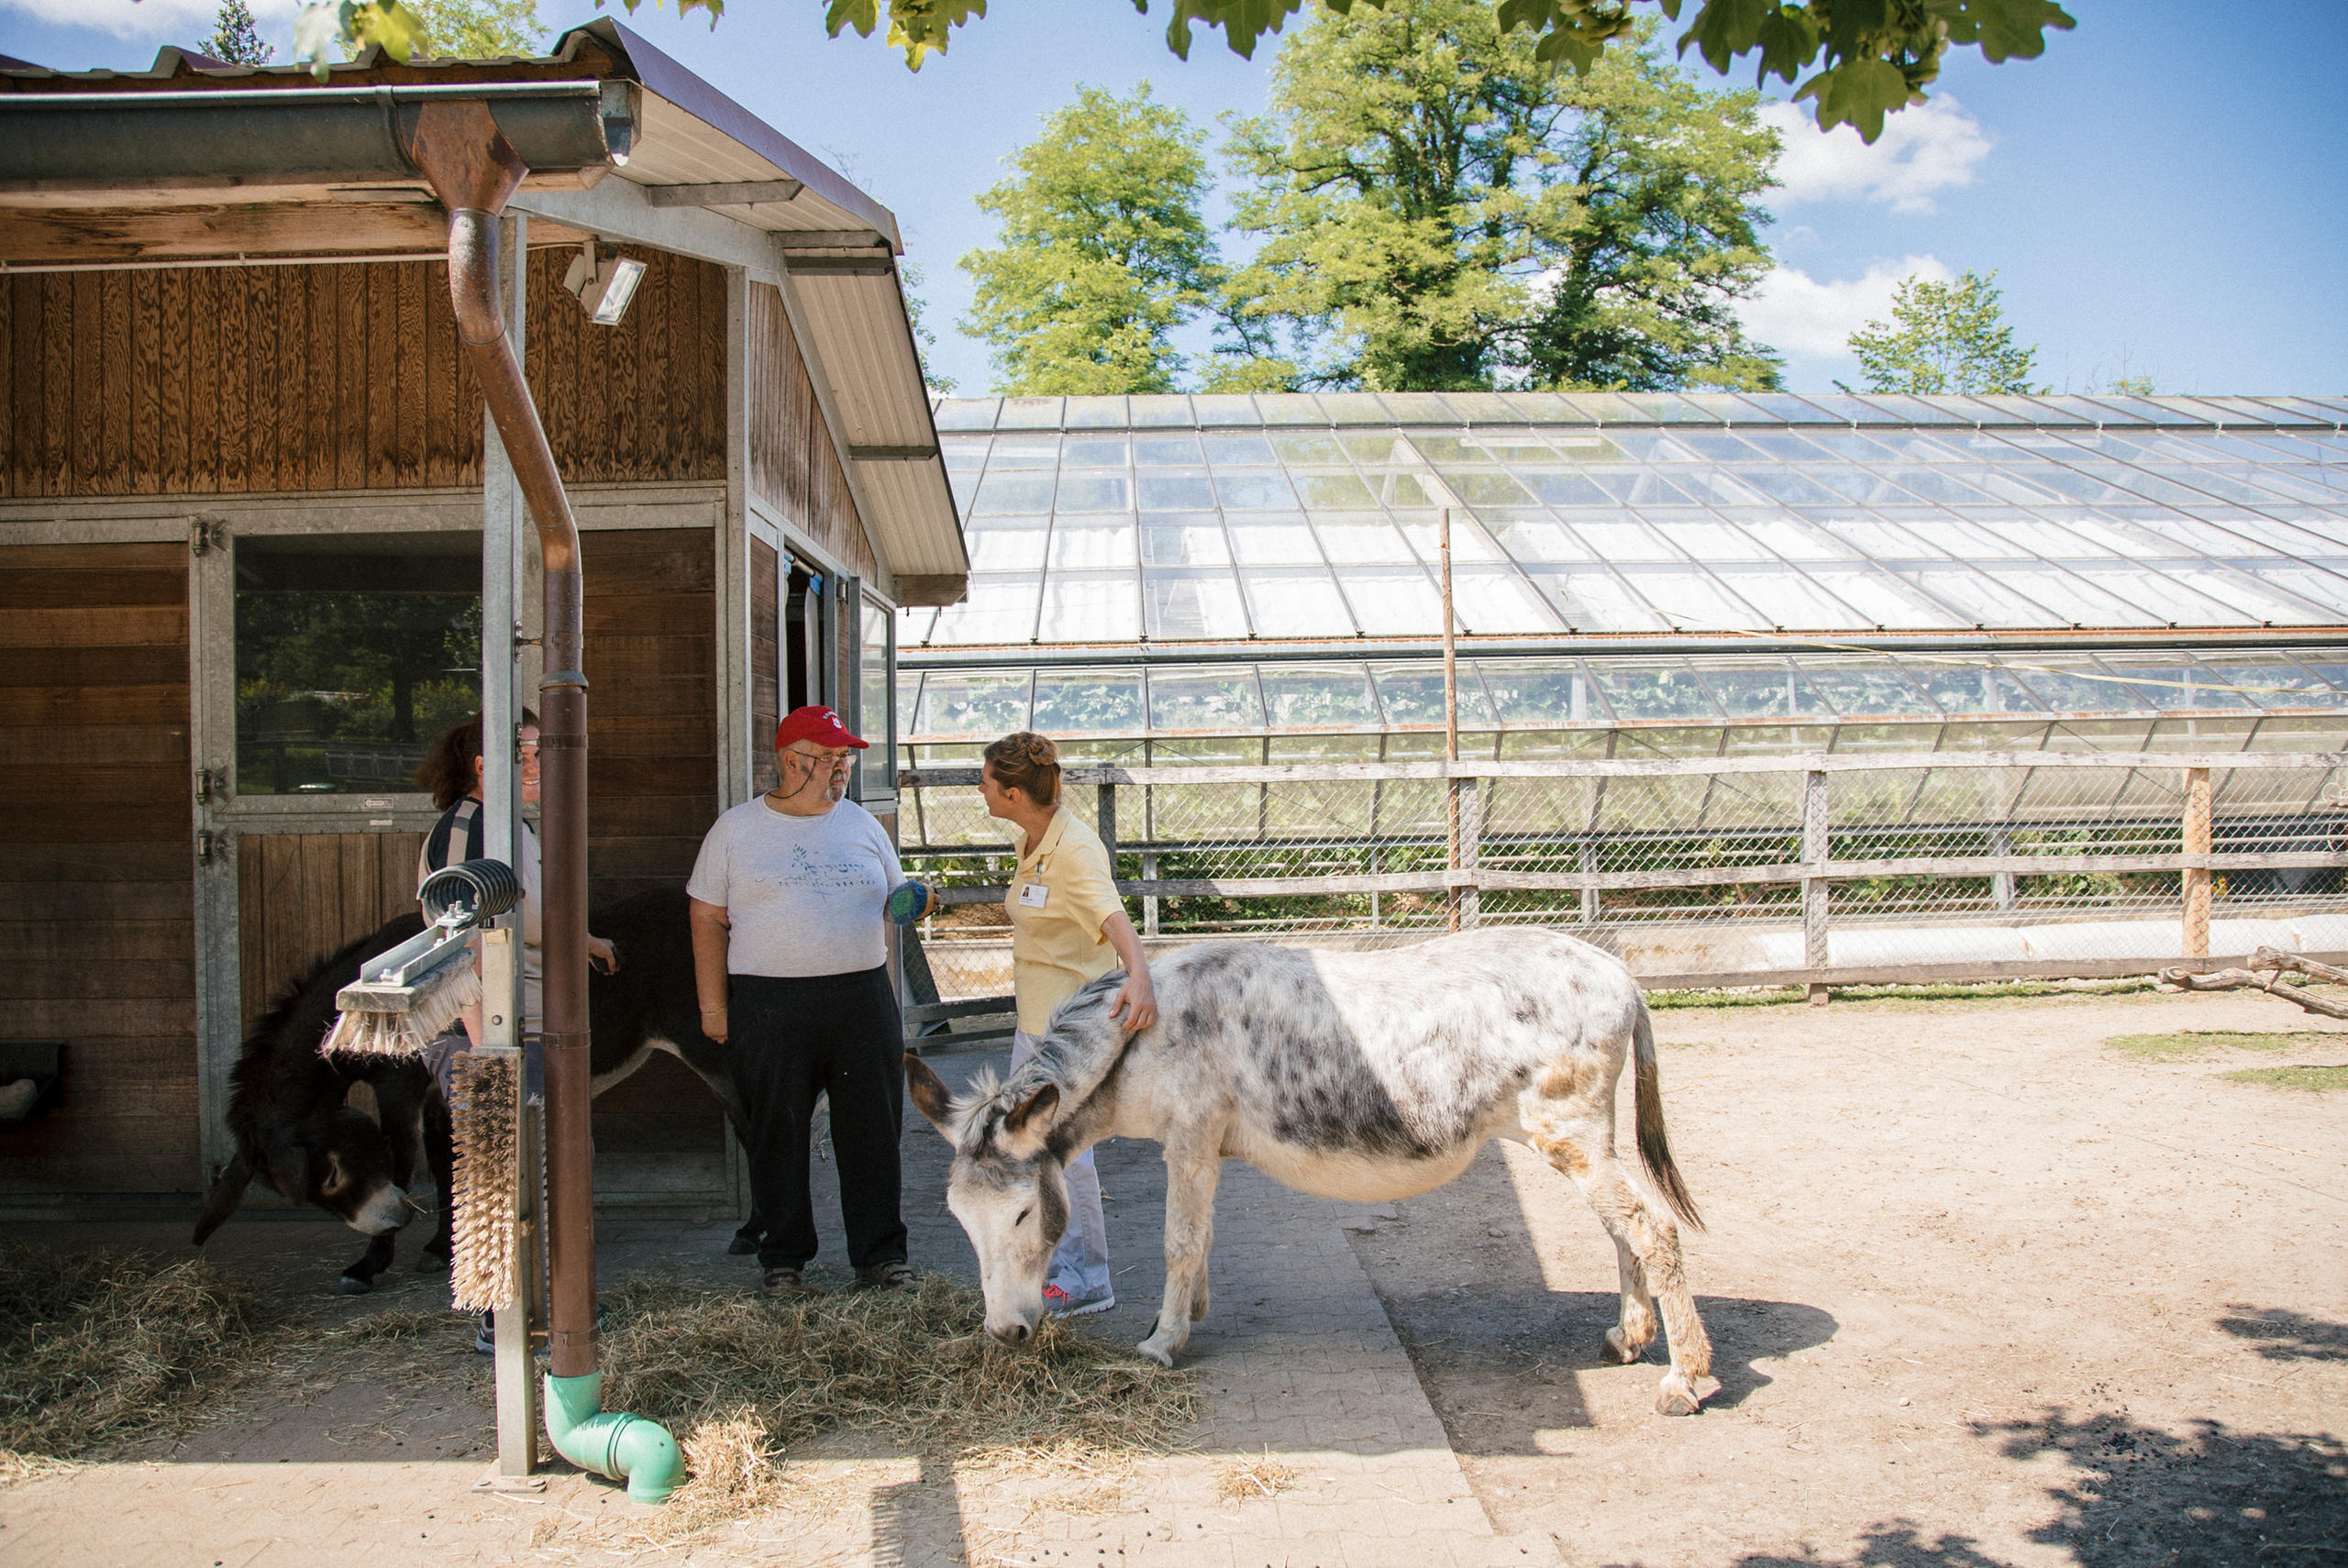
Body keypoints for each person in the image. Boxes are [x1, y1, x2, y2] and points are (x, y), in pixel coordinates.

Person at [688, 705, 916, 1297]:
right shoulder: (735, 830)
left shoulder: (864, 825)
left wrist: (920, 898)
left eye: (845, 757)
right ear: (791, 760)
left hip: (861, 997)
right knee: (776, 1131)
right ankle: (784, 1257)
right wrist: (714, 1008)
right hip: (767, 1003)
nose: (841, 768)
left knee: (873, 1130)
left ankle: (880, 1256)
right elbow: (707, 918)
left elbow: (898, 898)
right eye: (829, 757)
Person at [414, 708, 617, 1355]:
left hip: (525, 1022)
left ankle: (551, 1306)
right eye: (526, 752)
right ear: (483, 764)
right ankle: (499, 1320)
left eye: (542, 752)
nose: (539, 765)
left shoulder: (510, 827)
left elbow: (523, 915)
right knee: (507, 1175)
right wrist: (486, 1050)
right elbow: (461, 936)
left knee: (552, 1167)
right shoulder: (466, 830)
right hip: (489, 1029)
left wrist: (576, 938)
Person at [979, 730, 1157, 1318]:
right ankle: (1061, 1266)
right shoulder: (1033, 839)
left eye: (985, 782)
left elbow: (1114, 917)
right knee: (1033, 1149)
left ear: (1010, 793)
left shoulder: (1075, 850)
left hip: (1067, 1033)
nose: (979, 788)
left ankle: (1087, 1278)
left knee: (1062, 1153)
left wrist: (1140, 975)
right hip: (1036, 1024)